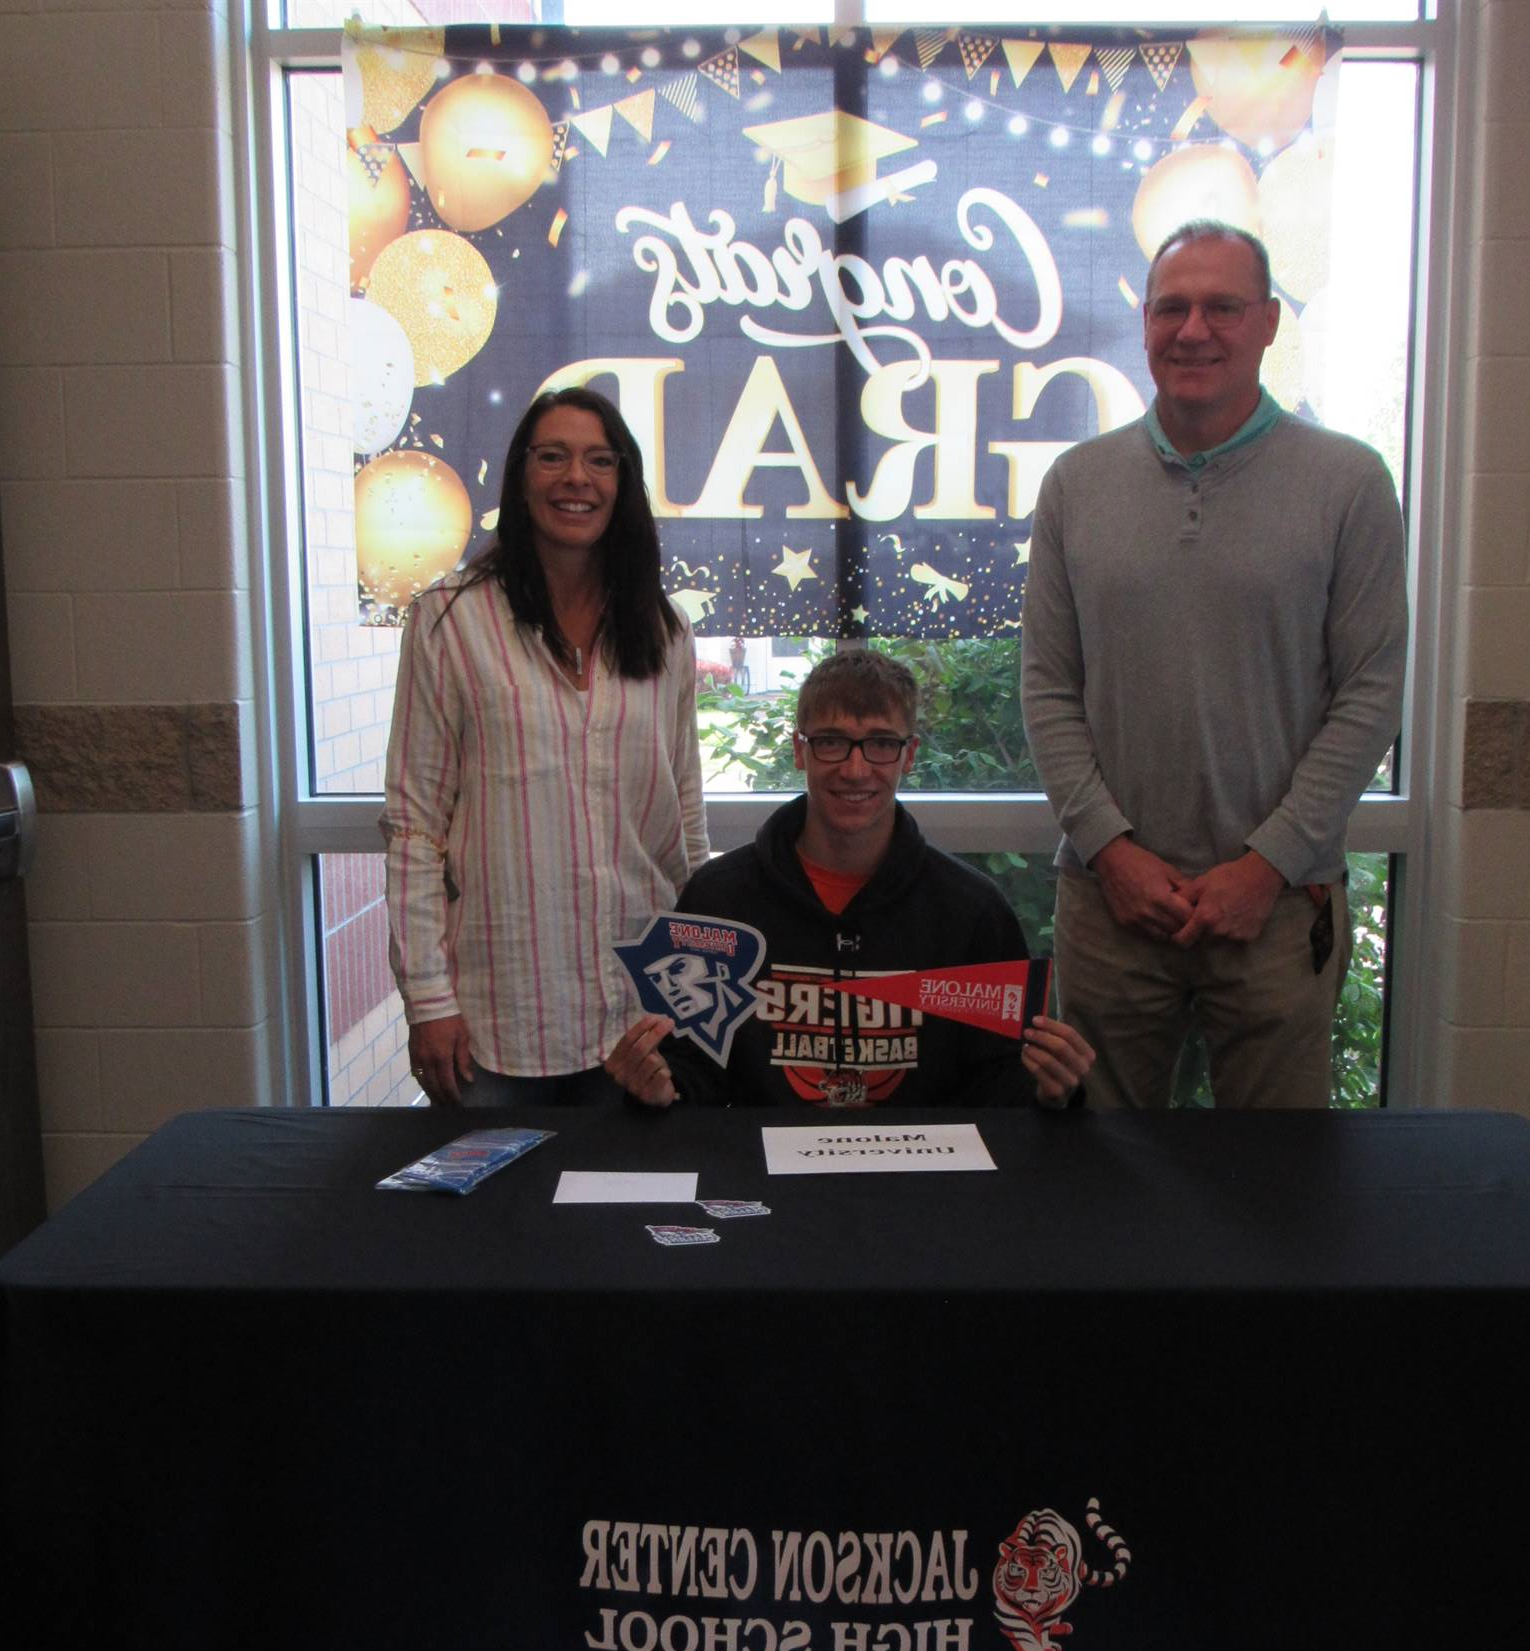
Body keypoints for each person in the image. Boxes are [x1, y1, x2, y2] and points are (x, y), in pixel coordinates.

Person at [1020, 219, 1407, 1110]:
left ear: (1269, 322)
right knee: (1098, 1175)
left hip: (1277, 912)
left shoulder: (1348, 482)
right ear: (1145, 323)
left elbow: (1371, 693)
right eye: (1172, 308)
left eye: (1223, 307)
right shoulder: (1077, 484)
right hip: (1110, 907)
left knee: (1271, 1193)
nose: (1194, 330)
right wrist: (1109, 851)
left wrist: (1265, 866)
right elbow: (1046, 686)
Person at [382, 387, 709, 1107]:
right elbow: (414, 828)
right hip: (499, 1023)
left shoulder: (665, 629)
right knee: (500, 1220)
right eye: (552, 456)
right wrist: (428, 1000)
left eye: (599, 460)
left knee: (633, 1212)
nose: (575, 479)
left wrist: (693, 992)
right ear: (520, 475)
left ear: (622, 484)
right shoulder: (451, 621)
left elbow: (684, 813)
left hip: (640, 1013)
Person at [605, 651, 1092, 1110]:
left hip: (922, 1179)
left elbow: (998, 1081)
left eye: (881, 743)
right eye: (831, 742)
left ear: (910, 755)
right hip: (762, 1176)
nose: (855, 770)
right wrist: (659, 1087)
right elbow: (692, 1071)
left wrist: (1049, 1090)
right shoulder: (718, 898)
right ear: (800, 750)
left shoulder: (972, 910)